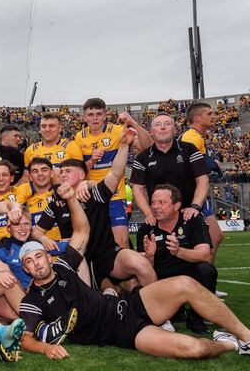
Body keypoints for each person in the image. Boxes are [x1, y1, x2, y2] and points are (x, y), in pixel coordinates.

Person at [19, 187, 250, 360]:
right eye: (29, 262)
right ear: (25, 269)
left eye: (38, 256)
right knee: (194, 349)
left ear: (48, 257)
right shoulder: (32, 300)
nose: (36, 264)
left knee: (185, 284)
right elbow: (25, 338)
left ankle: (246, 336)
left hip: (129, 305)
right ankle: (229, 344)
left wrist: (70, 198)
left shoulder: (63, 266)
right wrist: (46, 347)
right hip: (124, 333)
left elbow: (82, 230)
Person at [34, 128, 156, 292]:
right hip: (79, 259)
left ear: (82, 175)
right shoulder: (57, 203)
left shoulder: (95, 194)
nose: (62, 175)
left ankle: (157, 311)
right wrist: (43, 238)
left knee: (141, 264)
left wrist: (123, 145)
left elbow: (116, 172)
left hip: (107, 254)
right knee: (106, 292)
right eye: (61, 172)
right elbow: (36, 230)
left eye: (68, 171)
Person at [130, 113, 214, 261]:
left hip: (188, 214)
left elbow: (202, 179)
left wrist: (195, 206)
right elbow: (137, 189)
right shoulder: (142, 158)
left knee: (203, 263)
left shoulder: (189, 150)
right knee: (154, 262)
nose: (163, 127)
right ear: (151, 132)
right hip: (159, 218)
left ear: (175, 129)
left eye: (167, 124)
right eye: (158, 124)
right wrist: (148, 212)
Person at [136, 184, 216, 334]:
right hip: (161, 279)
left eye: (162, 202)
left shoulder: (192, 220)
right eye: (153, 202)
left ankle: (196, 317)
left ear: (177, 205)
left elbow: (205, 254)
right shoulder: (146, 229)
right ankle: (173, 311)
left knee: (206, 270)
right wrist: (150, 257)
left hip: (188, 273)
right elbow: (144, 270)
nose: (155, 207)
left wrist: (179, 251)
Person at [73, 98, 152, 249]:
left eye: (98, 114)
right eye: (90, 114)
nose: (95, 118)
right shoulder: (78, 138)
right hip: (92, 197)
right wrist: (91, 161)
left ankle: (128, 270)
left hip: (115, 196)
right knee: (94, 243)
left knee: (121, 243)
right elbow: (78, 173)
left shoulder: (117, 131)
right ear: (84, 117)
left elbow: (147, 147)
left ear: (105, 115)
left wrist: (134, 124)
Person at [180, 102, 224, 261]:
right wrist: (212, 164)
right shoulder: (192, 136)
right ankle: (203, 279)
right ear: (197, 118)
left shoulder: (196, 136)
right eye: (210, 114)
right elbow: (187, 162)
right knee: (213, 237)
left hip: (196, 193)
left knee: (215, 236)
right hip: (192, 195)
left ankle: (203, 278)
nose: (214, 116)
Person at [20, 112, 83, 182]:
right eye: (43, 126)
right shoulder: (30, 150)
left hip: (65, 191)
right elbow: (25, 178)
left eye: (51, 126)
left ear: (60, 128)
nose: (47, 129)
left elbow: (80, 176)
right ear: (40, 129)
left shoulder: (72, 147)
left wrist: (61, 172)